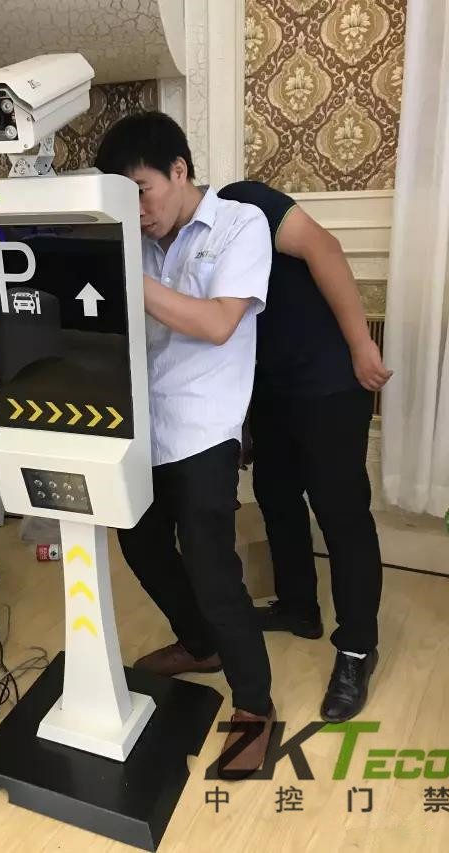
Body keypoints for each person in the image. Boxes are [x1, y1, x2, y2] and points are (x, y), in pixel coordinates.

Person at [95, 113, 275, 779]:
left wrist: (127, 274)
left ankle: (255, 706)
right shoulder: (135, 238)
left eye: (142, 190)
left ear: (179, 170)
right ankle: (200, 644)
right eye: (124, 198)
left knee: (211, 568)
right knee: (139, 545)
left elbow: (219, 323)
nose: (138, 210)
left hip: (205, 426)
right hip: (144, 424)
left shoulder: (239, 225)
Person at [219, 180, 392, 723]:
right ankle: (299, 608)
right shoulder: (172, 250)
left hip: (328, 383)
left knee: (341, 515)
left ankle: (358, 648)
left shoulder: (242, 201)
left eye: (144, 192)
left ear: (178, 174)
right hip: (270, 391)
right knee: (275, 497)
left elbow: (324, 247)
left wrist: (361, 344)